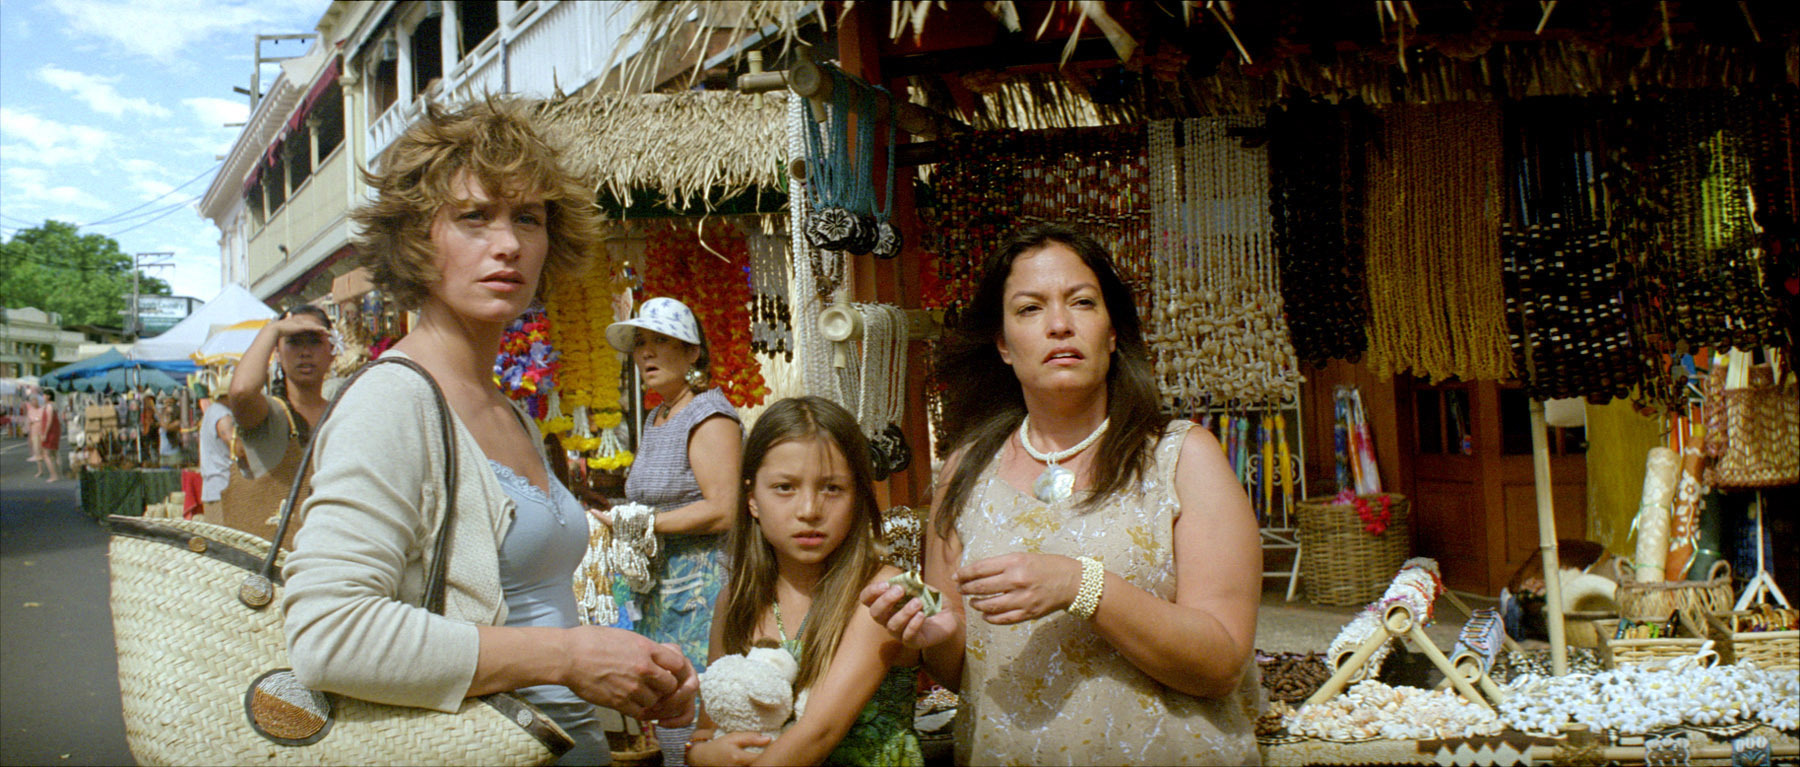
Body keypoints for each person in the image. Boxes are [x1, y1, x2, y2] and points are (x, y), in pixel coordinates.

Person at [281, 97, 696, 766]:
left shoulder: (509, 413)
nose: (507, 243)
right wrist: (566, 657)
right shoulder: (392, 402)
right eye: (474, 216)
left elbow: (529, 608)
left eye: (527, 218)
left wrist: (630, 670)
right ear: (417, 238)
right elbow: (328, 632)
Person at [862, 223, 1264, 765]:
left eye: (1081, 302)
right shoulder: (964, 468)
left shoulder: (1182, 459)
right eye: (1030, 309)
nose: (1058, 325)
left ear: (1113, 332)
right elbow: (960, 665)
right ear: (1003, 345)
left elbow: (1222, 664)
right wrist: (932, 633)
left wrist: (1084, 585)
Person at [687, 397, 922, 767]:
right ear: (751, 499)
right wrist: (701, 753)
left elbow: (818, 734)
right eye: (785, 487)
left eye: (832, 488)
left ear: (859, 496)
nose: (809, 510)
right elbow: (708, 724)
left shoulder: (890, 588)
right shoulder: (735, 598)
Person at [605, 296, 743, 766]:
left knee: (695, 695)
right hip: (662, 588)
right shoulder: (657, 416)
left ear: (692, 353)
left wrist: (641, 523)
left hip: (702, 588)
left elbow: (724, 509)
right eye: (641, 343)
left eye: (661, 341)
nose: (646, 353)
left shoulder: (708, 414)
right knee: (664, 695)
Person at [224, 305, 337, 480]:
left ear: (332, 351)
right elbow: (241, 391)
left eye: (314, 341)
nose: (305, 352)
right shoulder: (268, 414)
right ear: (277, 353)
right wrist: (274, 329)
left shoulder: (342, 412)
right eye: (294, 341)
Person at [196, 386, 234, 524]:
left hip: (214, 487)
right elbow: (235, 446)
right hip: (223, 486)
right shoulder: (222, 415)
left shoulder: (212, 412)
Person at [37, 390, 62, 482]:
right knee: (54, 453)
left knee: (46, 454)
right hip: (55, 431)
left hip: (50, 432)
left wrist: (44, 434)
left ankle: (54, 475)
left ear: (48, 396)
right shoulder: (54, 406)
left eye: (44, 395)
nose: (43, 396)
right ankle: (59, 474)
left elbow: (49, 421)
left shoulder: (49, 406)